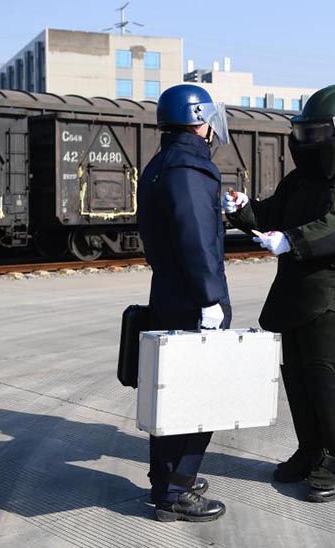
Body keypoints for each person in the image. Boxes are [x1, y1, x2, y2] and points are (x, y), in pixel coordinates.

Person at [224, 84, 335, 502]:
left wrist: (293, 240)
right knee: (298, 377)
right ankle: (311, 448)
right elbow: (271, 214)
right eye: (305, 132)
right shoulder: (301, 179)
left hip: (332, 294)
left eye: (318, 133)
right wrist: (243, 209)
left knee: (330, 378)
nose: (308, 142)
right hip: (296, 294)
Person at [137, 84, 231, 522]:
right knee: (200, 396)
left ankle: (165, 481)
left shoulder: (159, 163)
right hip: (194, 297)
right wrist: (210, 300)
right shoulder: (191, 166)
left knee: (170, 393)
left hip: (167, 290)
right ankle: (178, 491)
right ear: (200, 119)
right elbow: (195, 239)